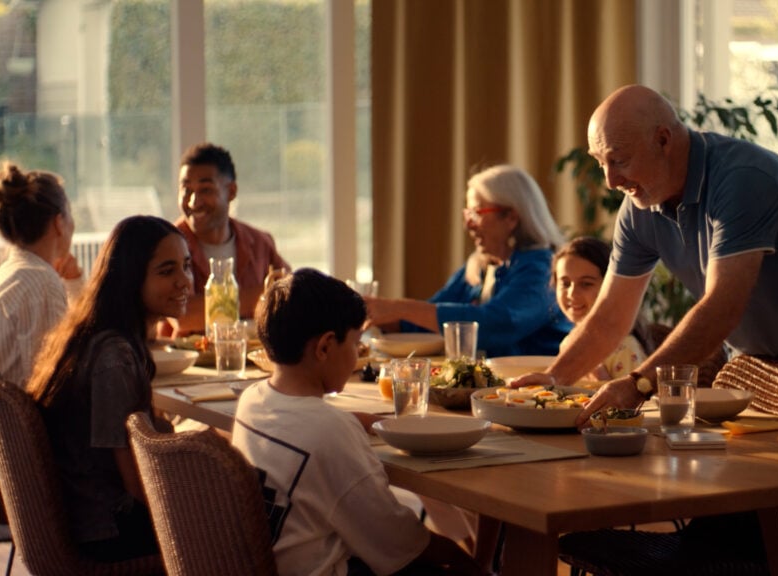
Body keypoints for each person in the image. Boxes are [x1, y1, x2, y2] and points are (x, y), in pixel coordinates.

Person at [515, 85, 778, 575]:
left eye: (620, 160)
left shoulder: (743, 180)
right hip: (760, 369)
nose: (610, 180)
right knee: (753, 525)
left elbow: (722, 306)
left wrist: (640, 383)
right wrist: (554, 379)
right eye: (601, 163)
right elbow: (610, 315)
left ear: (665, 139)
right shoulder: (640, 208)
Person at [230, 268, 482, 575]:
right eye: (355, 344)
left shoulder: (252, 399)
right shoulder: (329, 431)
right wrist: (463, 559)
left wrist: (347, 421)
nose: (356, 356)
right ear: (324, 347)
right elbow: (394, 539)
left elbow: (301, 428)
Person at [28, 215, 192, 562]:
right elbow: (134, 480)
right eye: (167, 271)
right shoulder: (113, 356)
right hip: (107, 531)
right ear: (131, 279)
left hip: (93, 519)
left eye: (186, 266)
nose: (184, 282)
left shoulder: (104, 338)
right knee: (249, 514)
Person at [364, 164, 571, 357]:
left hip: (536, 390)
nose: (468, 225)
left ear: (511, 218)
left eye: (477, 213)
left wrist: (399, 308)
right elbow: (430, 320)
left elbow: (496, 325)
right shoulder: (479, 266)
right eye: (467, 214)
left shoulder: (543, 268)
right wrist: (382, 315)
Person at [0, 162, 83, 387]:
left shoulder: (1, 278)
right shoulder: (42, 284)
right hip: (32, 422)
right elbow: (58, 382)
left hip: (2, 421)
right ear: (59, 222)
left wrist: (74, 284)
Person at [165, 142, 289, 336]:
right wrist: (263, 296)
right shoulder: (166, 245)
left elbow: (292, 295)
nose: (193, 201)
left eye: (205, 190)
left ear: (231, 192)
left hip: (251, 363)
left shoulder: (260, 243)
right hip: (191, 365)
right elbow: (183, 315)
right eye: (186, 189)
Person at [552, 236, 648, 381]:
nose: (572, 293)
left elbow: (638, 401)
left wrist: (601, 378)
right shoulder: (568, 342)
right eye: (565, 284)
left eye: (586, 284)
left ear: (609, 287)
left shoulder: (624, 348)